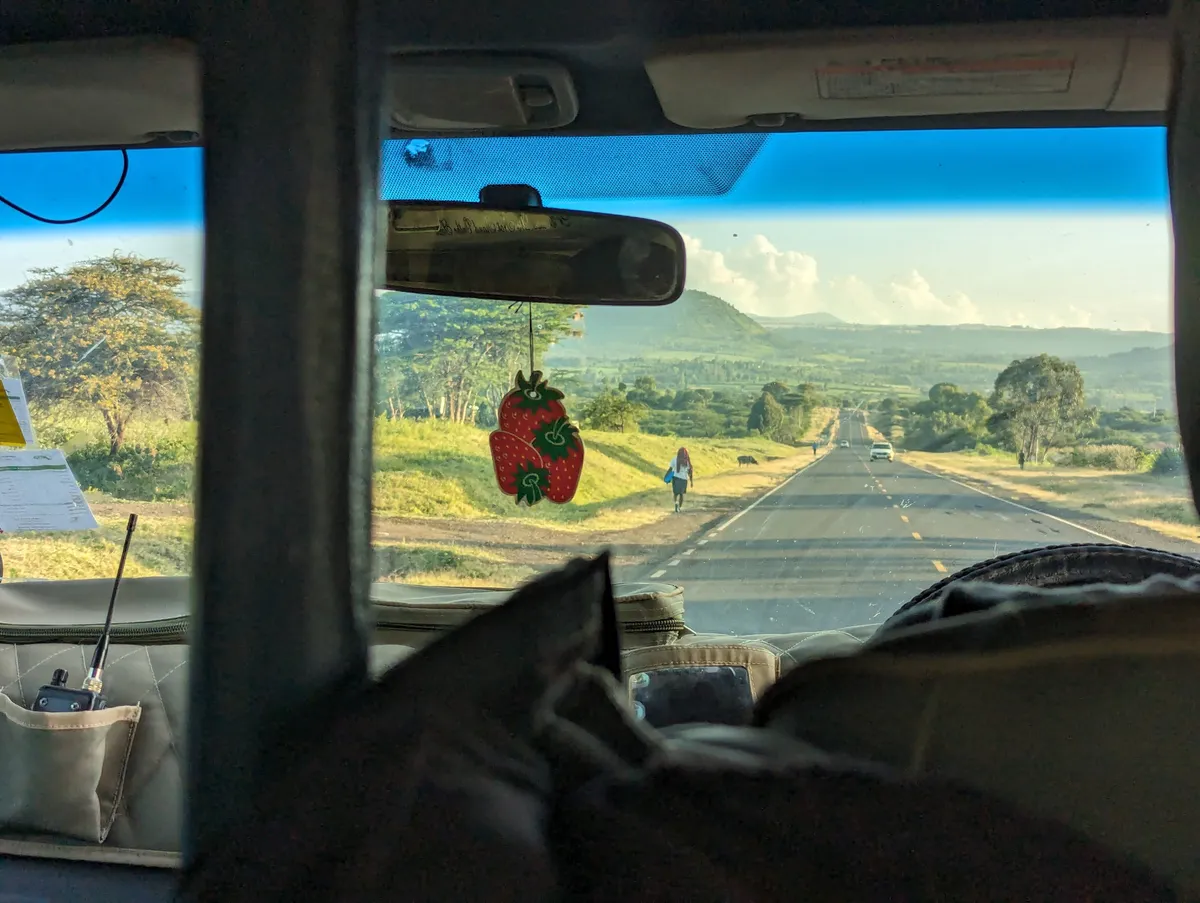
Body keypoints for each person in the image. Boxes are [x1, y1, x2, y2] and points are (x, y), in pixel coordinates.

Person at [667, 446, 693, 513]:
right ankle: (679, 507)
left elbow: (670, 468)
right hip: (683, 479)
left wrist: (667, 476)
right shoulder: (687, 461)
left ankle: (676, 503)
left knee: (675, 493)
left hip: (675, 478)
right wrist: (691, 481)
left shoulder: (674, 459)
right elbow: (690, 472)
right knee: (681, 494)